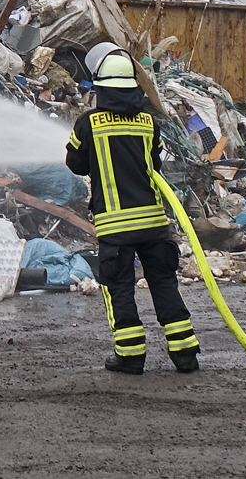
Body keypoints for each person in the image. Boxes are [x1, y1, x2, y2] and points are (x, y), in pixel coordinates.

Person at [65, 42, 199, 375]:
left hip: (115, 227)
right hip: (154, 223)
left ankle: (130, 356)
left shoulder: (88, 124)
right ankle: (185, 355)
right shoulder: (148, 123)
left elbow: (74, 163)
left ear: (101, 89)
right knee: (164, 284)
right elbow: (153, 164)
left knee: (119, 288)